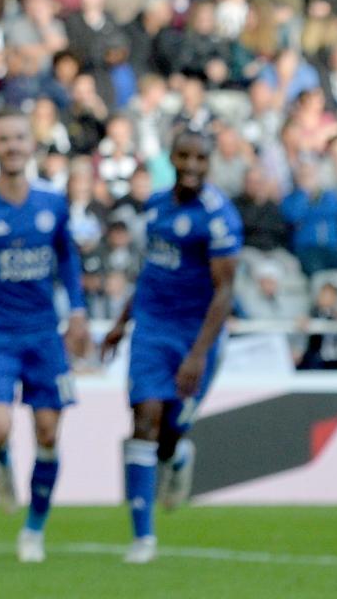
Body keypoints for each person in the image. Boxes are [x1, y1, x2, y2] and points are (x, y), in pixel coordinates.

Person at [98, 127, 241, 565]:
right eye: (184, 156)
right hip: (152, 328)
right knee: (144, 419)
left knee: (168, 432)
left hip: (196, 334)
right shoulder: (155, 206)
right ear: (172, 158)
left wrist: (198, 354)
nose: (192, 165)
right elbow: (150, 272)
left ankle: (177, 454)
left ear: (210, 161)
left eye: (200, 158)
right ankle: (143, 538)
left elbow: (224, 292)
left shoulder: (219, 216)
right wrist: (122, 323)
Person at [0, 109, 86, 564]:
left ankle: (34, 529)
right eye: (4, 139)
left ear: (31, 145)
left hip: (43, 337)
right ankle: (5, 461)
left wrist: (77, 312)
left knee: (49, 432)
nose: (13, 146)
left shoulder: (52, 203)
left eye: (19, 138)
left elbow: (67, 259)